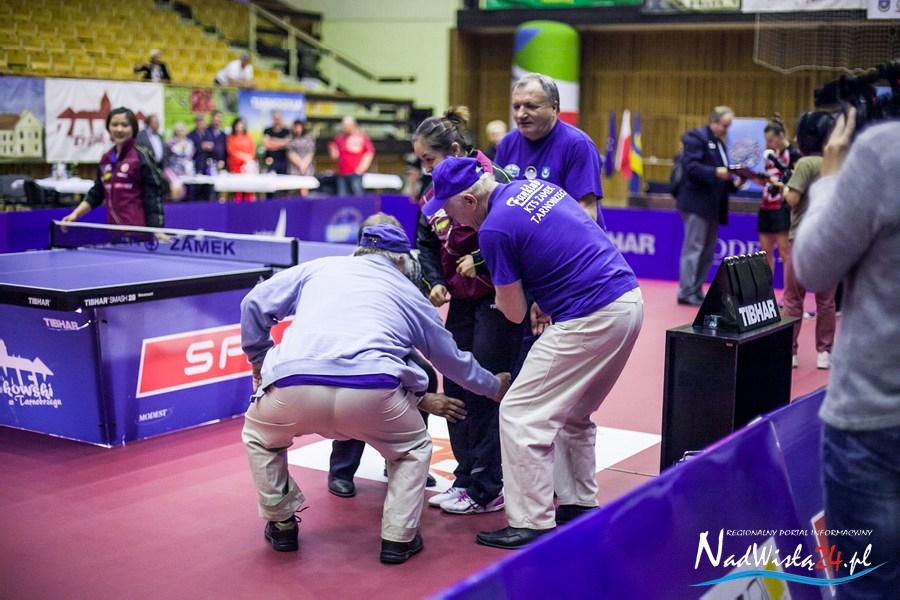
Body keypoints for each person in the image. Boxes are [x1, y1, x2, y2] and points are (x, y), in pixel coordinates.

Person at [240, 222, 511, 564]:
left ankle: (281, 524)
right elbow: (451, 360)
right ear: (401, 261)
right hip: (373, 392)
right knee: (412, 450)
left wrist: (260, 359)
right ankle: (398, 538)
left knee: (260, 438)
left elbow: (253, 302)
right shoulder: (408, 292)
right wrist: (493, 386)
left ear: (360, 251)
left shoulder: (317, 268)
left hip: (293, 385)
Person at [425, 156, 643, 549]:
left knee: (519, 413)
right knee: (573, 412)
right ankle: (577, 502)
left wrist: (504, 289)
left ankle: (531, 521)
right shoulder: (533, 188)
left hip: (589, 314)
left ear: (470, 201)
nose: (450, 221)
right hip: (626, 301)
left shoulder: (494, 229)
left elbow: (513, 313)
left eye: (450, 210)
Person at [792, 107, 900, 598]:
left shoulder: (882, 152)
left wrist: (832, 179)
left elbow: (815, 266)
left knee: (868, 586)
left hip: (876, 420)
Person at [412, 107, 522, 515]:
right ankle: (465, 477)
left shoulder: (499, 180)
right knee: (455, 383)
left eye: (429, 159)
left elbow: (516, 234)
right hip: (460, 299)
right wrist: (434, 282)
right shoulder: (431, 195)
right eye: (421, 161)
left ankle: (489, 485)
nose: (425, 169)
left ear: (455, 150)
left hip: (499, 297)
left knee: (486, 385)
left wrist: (478, 259)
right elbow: (426, 243)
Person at [327, 213, 438, 498]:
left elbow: (416, 313)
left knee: (425, 377)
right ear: (364, 244)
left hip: (395, 344)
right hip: (352, 348)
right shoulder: (346, 271)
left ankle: (401, 460)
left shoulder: (411, 266)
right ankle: (341, 470)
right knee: (357, 387)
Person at [494, 72, 605, 227]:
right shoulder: (507, 143)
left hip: (568, 240)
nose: (520, 114)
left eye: (531, 106)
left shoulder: (578, 145)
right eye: (516, 106)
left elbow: (587, 213)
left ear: (554, 108)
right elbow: (496, 201)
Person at [782, 111, 837, 370]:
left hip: (803, 239)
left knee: (793, 298)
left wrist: (784, 187)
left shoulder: (805, 164)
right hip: (829, 239)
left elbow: (793, 198)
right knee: (826, 301)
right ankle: (824, 352)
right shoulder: (836, 164)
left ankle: (790, 352)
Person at [675, 106, 744, 306]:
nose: (726, 130)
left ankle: (696, 290)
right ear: (713, 121)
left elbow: (722, 174)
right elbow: (692, 167)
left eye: (729, 126)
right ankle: (686, 291)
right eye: (724, 125)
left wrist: (735, 184)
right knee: (694, 248)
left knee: (707, 251)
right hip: (696, 203)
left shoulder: (719, 143)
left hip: (713, 206)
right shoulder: (695, 138)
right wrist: (716, 172)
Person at [61, 107, 164, 227]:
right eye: (114, 125)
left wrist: (156, 229)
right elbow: (97, 193)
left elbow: (152, 196)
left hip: (139, 231)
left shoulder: (142, 155)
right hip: (113, 230)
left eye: (125, 125)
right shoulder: (106, 158)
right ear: (108, 128)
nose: (119, 129)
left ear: (133, 128)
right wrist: (75, 214)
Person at [758, 114, 800, 276]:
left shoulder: (793, 154)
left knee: (784, 252)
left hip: (782, 207)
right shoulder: (770, 155)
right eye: (767, 141)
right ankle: (766, 289)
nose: (770, 144)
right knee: (765, 253)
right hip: (766, 206)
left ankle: (790, 290)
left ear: (781, 135)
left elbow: (798, 180)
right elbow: (767, 179)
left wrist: (781, 183)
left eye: (771, 140)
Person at [328, 115, 375, 197]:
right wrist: (333, 150)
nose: (344, 127)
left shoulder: (362, 137)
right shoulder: (339, 138)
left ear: (353, 125)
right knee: (342, 197)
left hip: (355, 173)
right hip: (342, 173)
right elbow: (334, 153)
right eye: (343, 125)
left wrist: (362, 167)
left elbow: (369, 152)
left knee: (357, 195)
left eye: (346, 125)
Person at [226, 117, 257, 202]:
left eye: (241, 125)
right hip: (235, 167)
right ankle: (238, 205)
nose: (240, 128)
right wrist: (245, 156)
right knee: (238, 189)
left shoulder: (249, 137)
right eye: (238, 126)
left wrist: (248, 158)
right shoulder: (231, 138)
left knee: (248, 189)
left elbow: (252, 152)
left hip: (248, 167)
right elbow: (232, 151)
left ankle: (249, 205)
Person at [164, 121, 194, 201]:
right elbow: (167, 157)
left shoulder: (189, 142)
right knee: (176, 189)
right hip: (172, 171)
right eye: (179, 130)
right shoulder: (170, 143)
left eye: (182, 130)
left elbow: (190, 157)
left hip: (186, 171)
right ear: (175, 131)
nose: (181, 132)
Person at [287, 119, 316, 196]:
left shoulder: (309, 138)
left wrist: (303, 165)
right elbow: (290, 153)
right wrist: (299, 163)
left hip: (307, 167)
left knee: (305, 188)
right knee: (294, 189)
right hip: (295, 167)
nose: (297, 129)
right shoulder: (291, 138)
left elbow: (310, 152)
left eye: (299, 127)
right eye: (296, 127)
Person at [262, 111, 291, 175]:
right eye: (275, 118)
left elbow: (287, 143)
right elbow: (266, 145)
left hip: (283, 162)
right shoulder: (267, 130)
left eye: (278, 118)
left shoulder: (286, 131)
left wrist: (271, 141)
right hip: (270, 161)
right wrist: (282, 142)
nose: (277, 120)